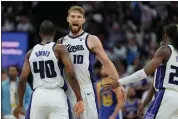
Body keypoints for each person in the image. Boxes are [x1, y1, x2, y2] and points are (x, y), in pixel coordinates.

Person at [57, 5, 122, 119]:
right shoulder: (61, 41)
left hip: (85, 89)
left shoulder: (91, 39)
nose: (75, 19)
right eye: (72, 16)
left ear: (83, 20)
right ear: (68, 19)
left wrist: (118, 83)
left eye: (79, 16)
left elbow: (106, 63)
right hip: (67, 89)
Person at [13, 20, 84, 119]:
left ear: (40, 34)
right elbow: (71, 75)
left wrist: (20, 104)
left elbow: (22, 79)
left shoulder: (30, 53)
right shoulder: (59, 49)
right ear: (54, 33)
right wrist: (79, 98)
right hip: (57, 95)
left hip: (38, 95)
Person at [104, 24, 178, 119]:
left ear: (166, 35)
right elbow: (154, 85)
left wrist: (120, 82)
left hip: (166, 96)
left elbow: (144, 73)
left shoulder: (165, 50)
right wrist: (144, 103)